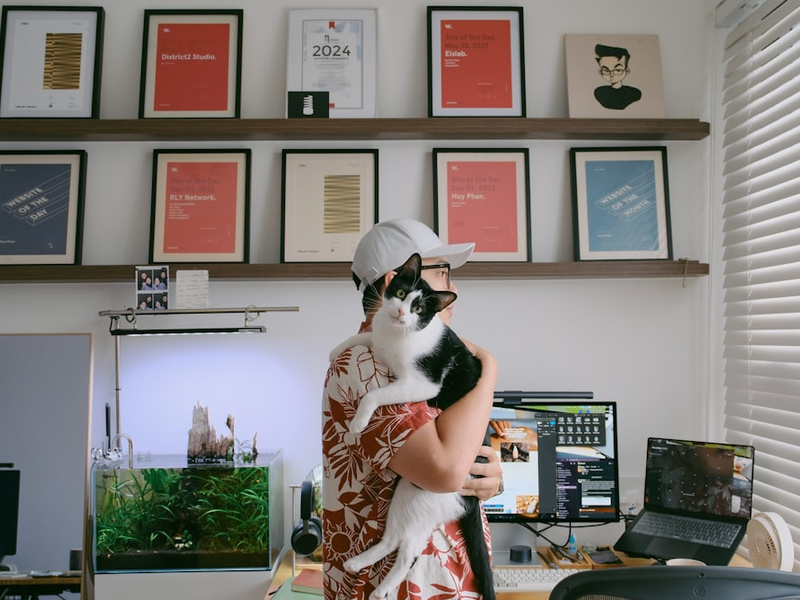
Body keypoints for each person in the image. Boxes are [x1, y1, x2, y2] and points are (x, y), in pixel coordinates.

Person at [322, 218, 502, 600]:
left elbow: (456, 455)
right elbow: (444, 471)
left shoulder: (418, 351)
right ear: (398, 281)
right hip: (401, 588)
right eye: (444, 274)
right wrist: (489, 367)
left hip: (444, 577)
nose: (453, 290)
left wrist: (487, 479)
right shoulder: (365, 363)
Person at [593, 43, 642, 110]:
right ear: (600, 71)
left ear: (627, 71)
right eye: (606, 70)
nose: (611, 75)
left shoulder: (634, 94)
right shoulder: (600, 92)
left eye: (617, 70)